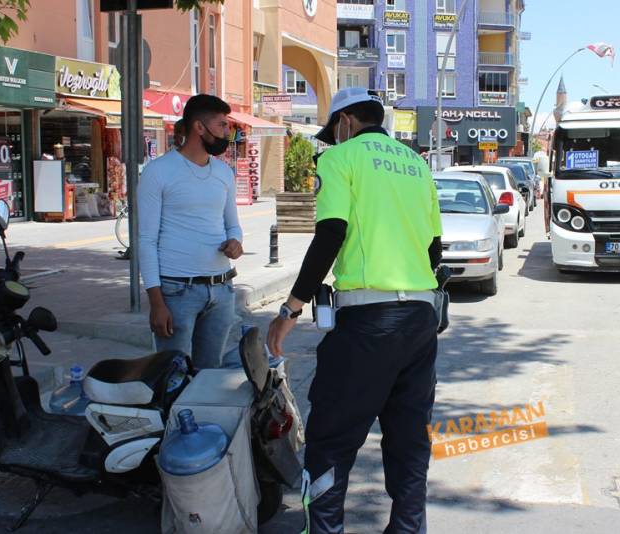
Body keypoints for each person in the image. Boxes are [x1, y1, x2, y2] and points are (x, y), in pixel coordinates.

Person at [266, 88, 443, 534]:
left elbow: (330, 234)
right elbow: (435, 250)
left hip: (368, 322)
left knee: (330, 440)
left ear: (345, 120)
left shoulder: (340, 160)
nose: (333, 139)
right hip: (421, 318)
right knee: (408, 440)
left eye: (334, 131)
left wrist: (290, 309)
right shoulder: (418, 165)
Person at [138, 94, 244, 370]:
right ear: (199, 127)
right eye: (221, 125)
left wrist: (236, 242)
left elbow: (232, 223)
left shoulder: (223, 173)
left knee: (208, 376)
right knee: (172, 376)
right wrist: (156, 303)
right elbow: (146, 241)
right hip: (176, 292)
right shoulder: (158, 172)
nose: (226, 133)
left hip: (221, 290)